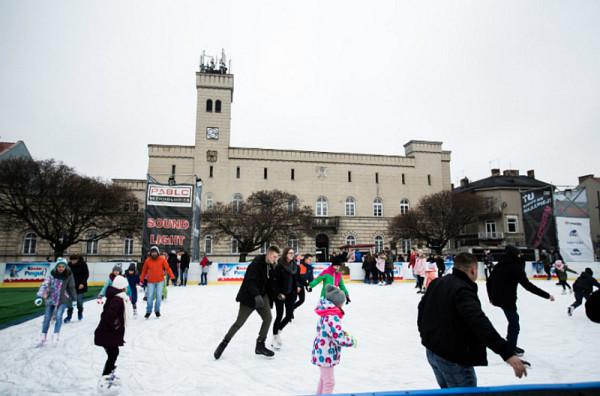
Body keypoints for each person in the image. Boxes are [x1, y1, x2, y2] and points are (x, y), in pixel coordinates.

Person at [418, 252, 528, 388]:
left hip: (434, 351)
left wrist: (427, 337)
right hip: (453, 358)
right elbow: (479, 322)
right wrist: (506, 352)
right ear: (473, 270)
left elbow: (422, 310)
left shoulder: (438, 282)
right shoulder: (462, 290)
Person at [213, 246, 281, 360]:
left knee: (268, 318)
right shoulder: (255, 265)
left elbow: (270, 284)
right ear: (268, 254)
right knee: (239, 323)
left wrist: (276, 294)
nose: (275, 259)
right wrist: (256, 295)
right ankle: (223, 344)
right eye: (274, 256)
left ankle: (260, 345)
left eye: (277, 257)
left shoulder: (271, 266)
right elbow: (250, 282)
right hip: (249, 297)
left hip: (262, 296)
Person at [486, 245, 555, 355]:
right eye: (519, 254)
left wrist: (491, 297)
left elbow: (489, 281)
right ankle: (510, 348)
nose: (520, 256)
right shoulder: (516, 267)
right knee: (514, 323)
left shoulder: (499, 265)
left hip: (498, 298)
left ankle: (510, 344)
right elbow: (528, 286)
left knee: (513, 321)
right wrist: (547, 295)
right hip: (507, 300)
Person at [311, 285, 356, 395]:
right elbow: (338, 338)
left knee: (324, 379)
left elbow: (328, 331)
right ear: (337, 303)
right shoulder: (332, 315)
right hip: (326, 352)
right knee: (329, 382)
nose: (342, 305)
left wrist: (340, 332)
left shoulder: (326, 313)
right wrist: (350, 341)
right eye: (342, 302)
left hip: (323, 350)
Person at [94, 275, 129, 389]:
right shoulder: (118, 300)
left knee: (113, 353)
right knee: (113, 353)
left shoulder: (115, 297)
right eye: (125, 287)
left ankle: (110, 371)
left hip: (106, 333)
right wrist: (116, 324)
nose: (127, 289)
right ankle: (106, 376)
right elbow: (109, 315)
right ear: (122, 288)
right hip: (107, 333)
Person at [35, 258, 77, 346]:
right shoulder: (51, 275)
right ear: (56, 267)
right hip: (50, 299)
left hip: (63, 299)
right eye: (59, 266)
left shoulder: (69, 275)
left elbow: (71, 287)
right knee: (47, 318)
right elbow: (45, 285)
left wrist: (74, 299)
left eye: (63, 266)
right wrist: (39, 296)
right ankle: (43, 335)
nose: (61, 268)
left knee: (58, 316)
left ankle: (55, 334)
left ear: (66, 267)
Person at [271, 247, 300, 350]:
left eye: (293, 253)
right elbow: (274, 282)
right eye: (290, 253)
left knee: (288, 316)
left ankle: (278, 331)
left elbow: (296, 279)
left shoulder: (295, 266)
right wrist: (279, 293)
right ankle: (275, 337)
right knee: (279, 315)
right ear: (285, 254)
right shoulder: (279, 266)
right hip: (280, 295)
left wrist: (298, 286)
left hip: (291, 294)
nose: (292, 254)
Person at [140, 246, 175, 319]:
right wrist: (141, 279)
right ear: (150, 253)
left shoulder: (162, 259)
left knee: (159, 297)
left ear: (158, 252)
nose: (154, 254)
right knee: (149, 297)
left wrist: (172, 277)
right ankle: (148, 311)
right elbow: (144, 271)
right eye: (152, 252)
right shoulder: (148, 260)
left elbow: (167, 268)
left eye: (155, 252)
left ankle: (157, 310)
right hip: (150, 282)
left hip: (160, 281)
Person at [65, 254, 89, 322]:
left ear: (77, 259)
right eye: (71, 260)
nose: (73, 261)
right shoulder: (69, 265)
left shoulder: (83, 264)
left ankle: (80, 313)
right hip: (70, 287)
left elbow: (86, 274)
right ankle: (69, 316)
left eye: (74, 260)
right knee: (69, 303)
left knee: (79, 302)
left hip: (80, 286)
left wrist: (82, 283)